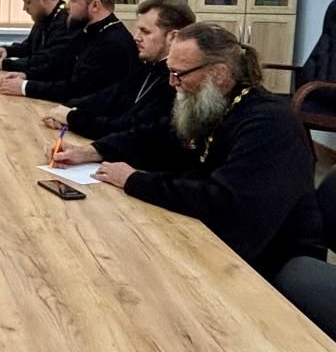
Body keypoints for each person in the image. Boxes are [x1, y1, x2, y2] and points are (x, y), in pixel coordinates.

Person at [52, 23, 325, 275]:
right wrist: (92, 151)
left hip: (266, 264)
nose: (172, 83)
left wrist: (134, 180)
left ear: (219, 74)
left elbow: (222, 202)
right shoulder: (214, 103)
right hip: (213, 235)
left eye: (178, 74)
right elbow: (155, 136)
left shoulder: (268, 124)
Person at [41, 0, 195, 153]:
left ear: (173, 37)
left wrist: (70, 117)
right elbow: (109, 97)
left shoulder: (178, 82)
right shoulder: (148, 66)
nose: (136, 37)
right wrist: (67, 108)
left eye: (145, 32)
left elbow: (127, 128)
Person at [0, 0, 136, 103]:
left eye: (73, 0)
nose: (67, 5)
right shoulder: (86, 31)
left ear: (95, 5)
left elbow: (78, 90)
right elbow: (58, 69)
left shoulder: (114, 42)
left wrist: (25, 87)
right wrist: (25, 76)